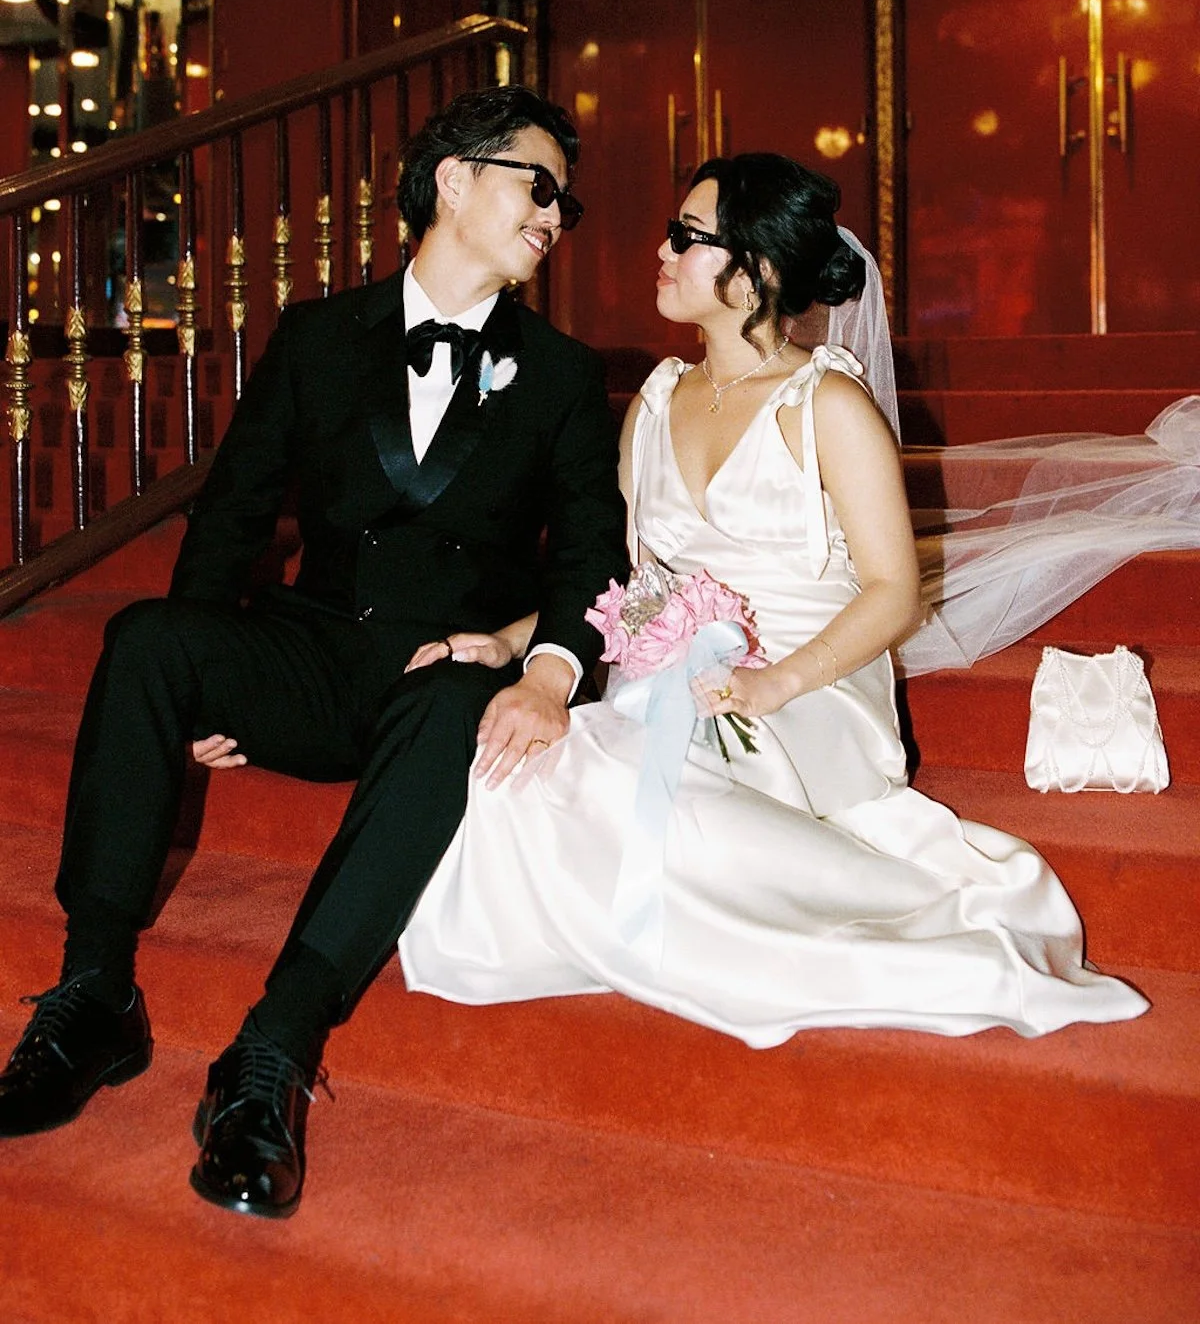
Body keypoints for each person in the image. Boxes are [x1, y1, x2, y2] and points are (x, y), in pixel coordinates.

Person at [0, 86, 629, 1217]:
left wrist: (546, 670)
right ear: (454, 180)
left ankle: (271, 1054)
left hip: (442, 674)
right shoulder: (319, 336)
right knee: (146, 641)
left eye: (565, 203)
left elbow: (592, 556)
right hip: (312, 649)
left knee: (456, 701)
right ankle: (94, 994)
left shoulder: (564, 373)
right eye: (539, 186)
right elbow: (235, 512)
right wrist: (204, 675)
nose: (556, 215)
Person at [398, 153, 1147, 1043]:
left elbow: (894, 592)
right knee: (529, 764)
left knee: (634, 783)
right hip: (671, 675)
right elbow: (628, 580)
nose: (662, 251)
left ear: (752, 271)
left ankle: (854, 923)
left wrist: (773, 684)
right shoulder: (655, 401)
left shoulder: (829, 404)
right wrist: (516, 638)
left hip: (811, 689)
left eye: (686, 237)